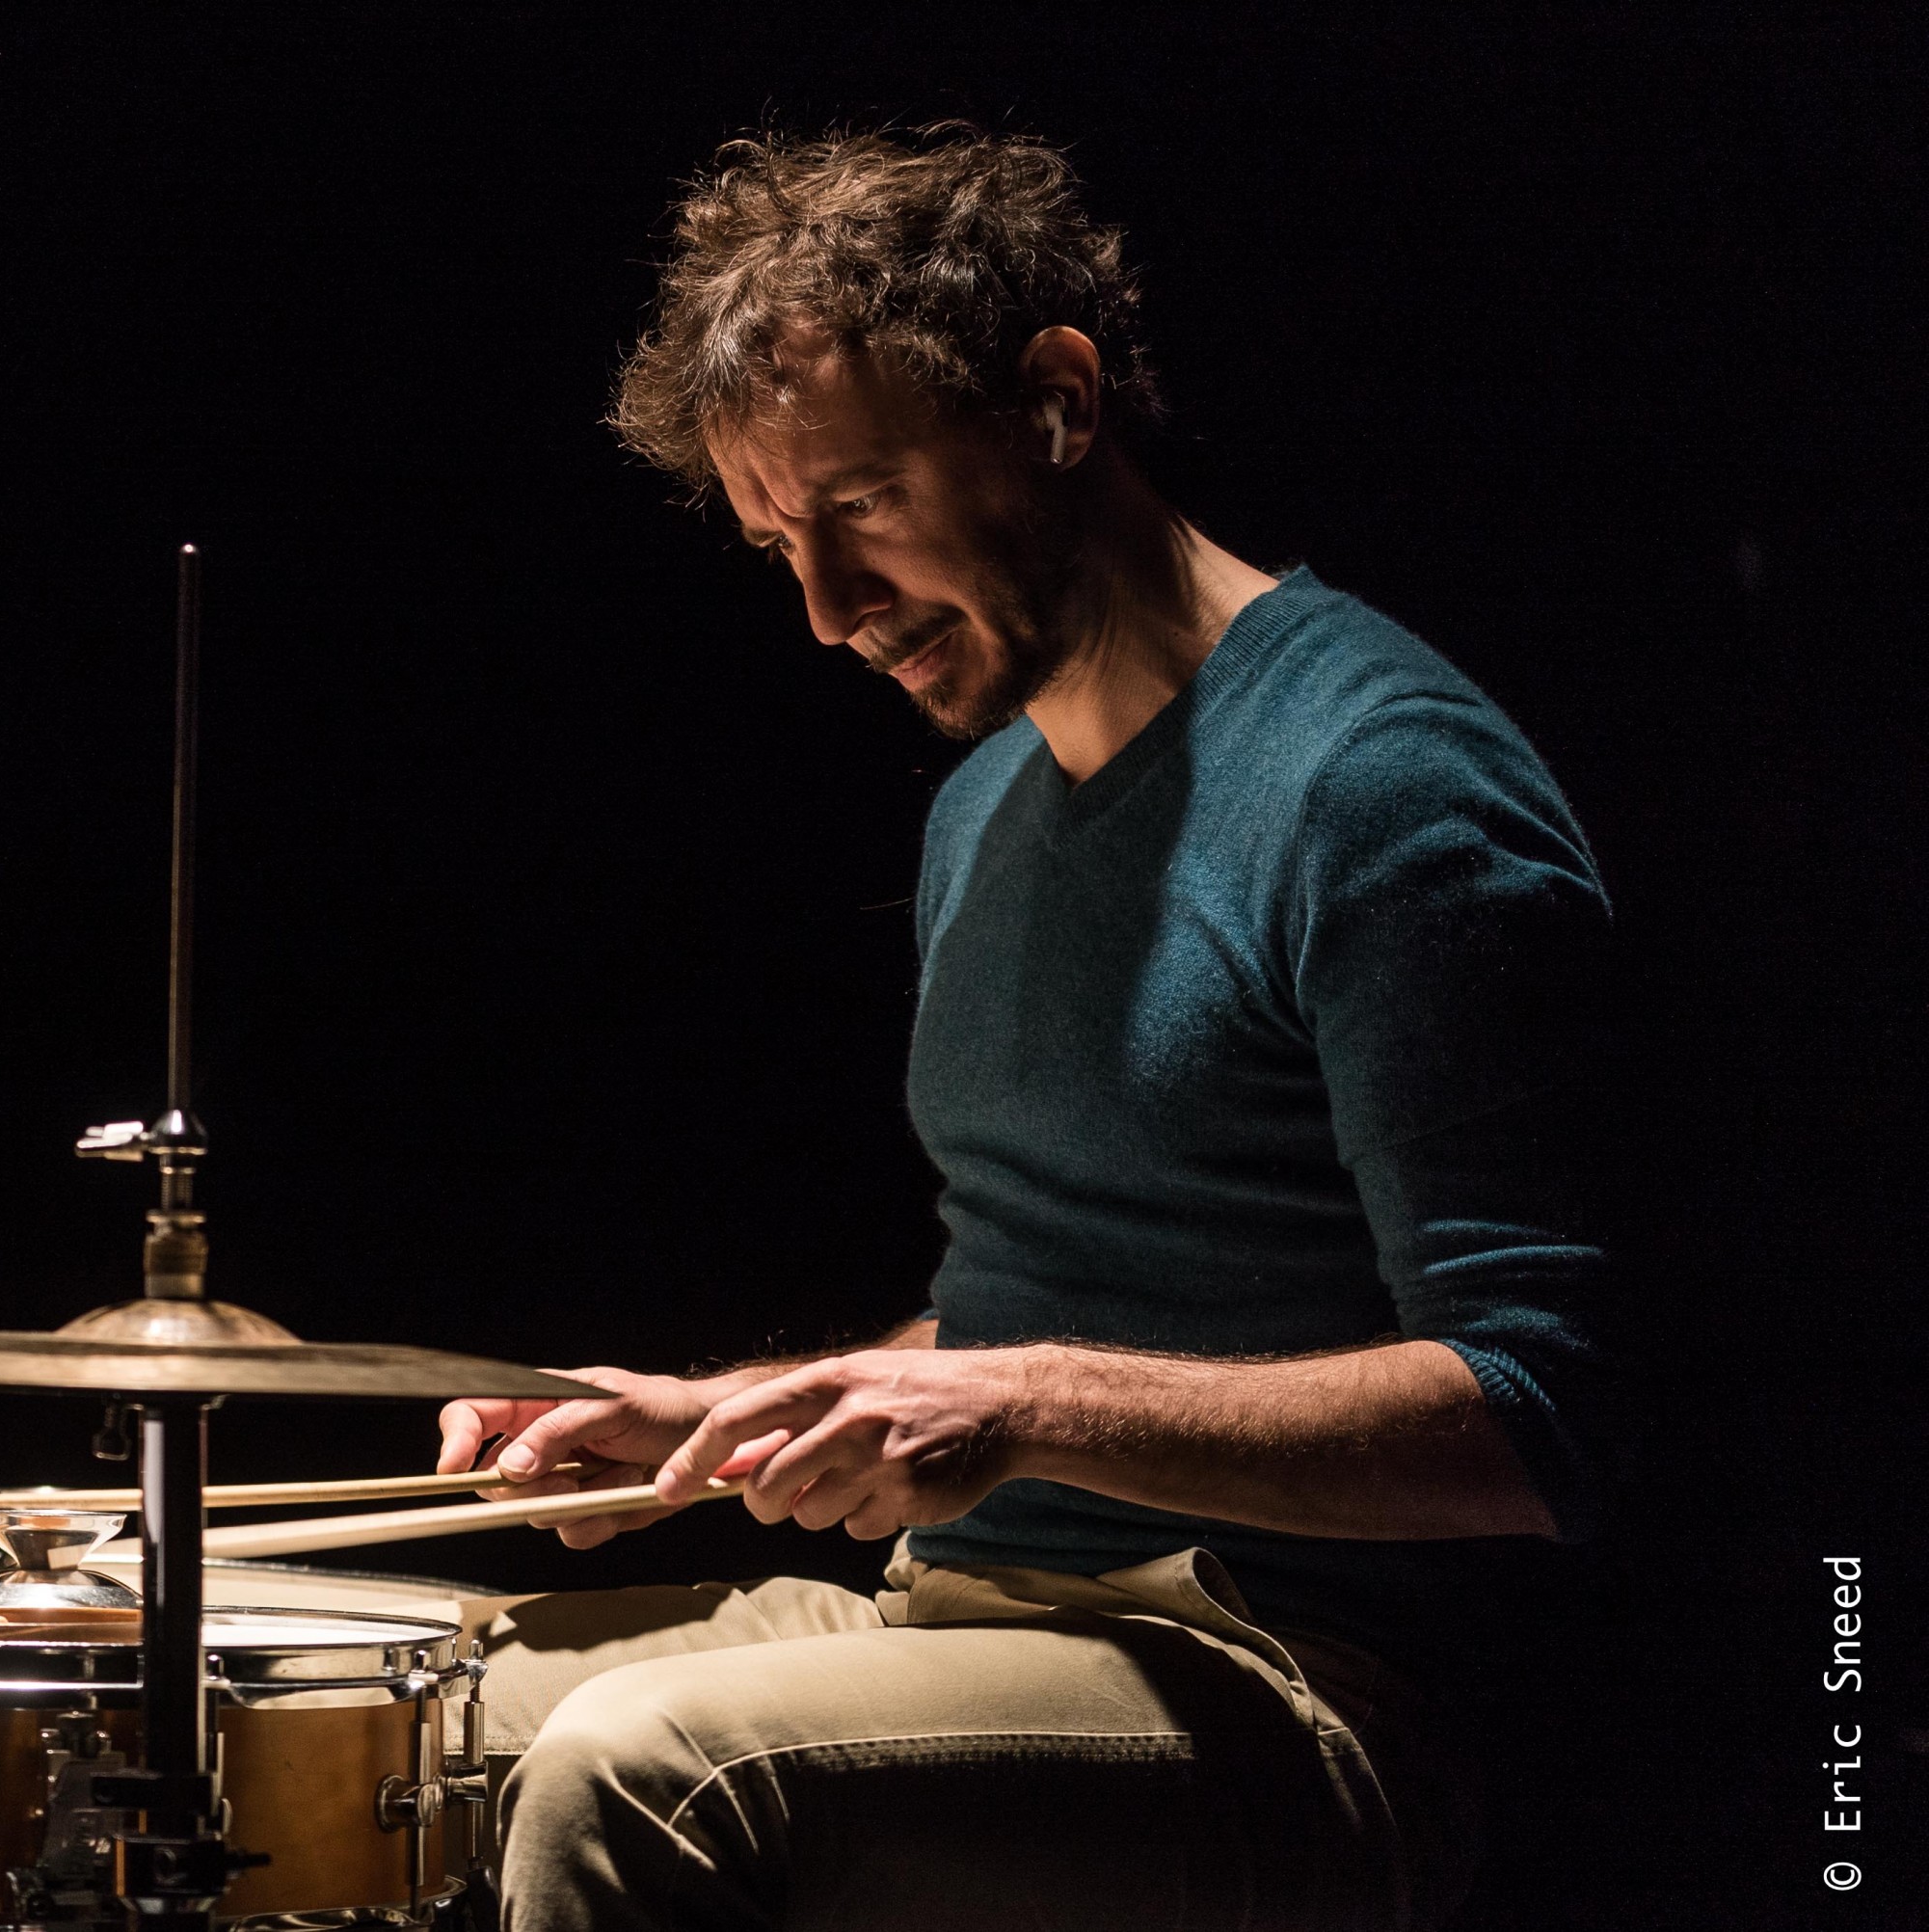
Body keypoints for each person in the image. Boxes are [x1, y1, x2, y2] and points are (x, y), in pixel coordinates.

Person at [436, 126, 1620, 1932]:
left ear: (1058, 402)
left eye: (859, 506)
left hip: (1293, 1687)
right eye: (778, 545)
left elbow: (1553, 1414)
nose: (827, 612)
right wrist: (723, 1416)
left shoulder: (1383, 786)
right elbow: (1051, 1307)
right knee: (389, 1713)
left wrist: (1020, 1404)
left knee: (638, 1767)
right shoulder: (982, 809)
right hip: (958, 1613)